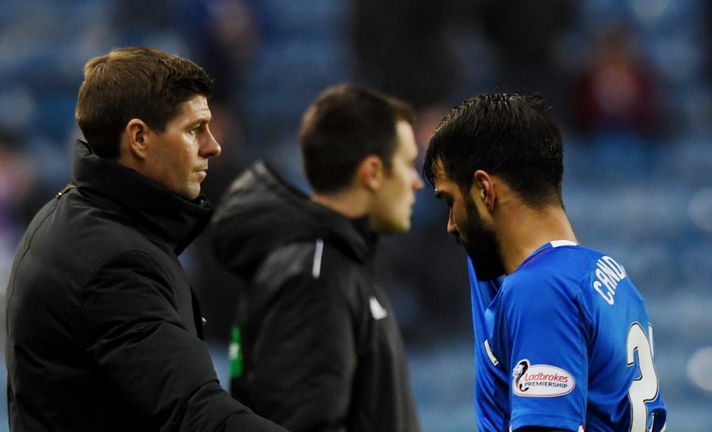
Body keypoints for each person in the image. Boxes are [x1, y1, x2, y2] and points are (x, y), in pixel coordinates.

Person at [5, 47, 287, 432]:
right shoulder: (115, 261)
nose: (213, 146)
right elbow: (193, 413)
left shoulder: (76, 215)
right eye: (193, 130)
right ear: (138, 137)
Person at [423, 92, 668, 431]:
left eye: (450, 201)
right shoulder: (607, 275)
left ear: (484, 190)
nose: (450, 224)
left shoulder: (540, 289)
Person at [210, 83, 423, 431]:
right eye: (408, 163)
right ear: (372, 172)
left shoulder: (335, 265)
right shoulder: (315, 276)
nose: (417, 182)